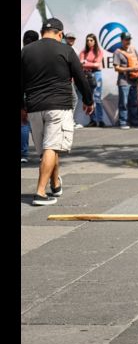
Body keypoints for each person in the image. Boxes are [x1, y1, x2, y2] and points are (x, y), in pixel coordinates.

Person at [21, 18, 94, 206]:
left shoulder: (26, 51)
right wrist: (88, 100)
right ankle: (40, 193)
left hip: (35, 108)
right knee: (52, 147)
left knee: (48, 148)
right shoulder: (66, 50)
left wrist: (22, 107)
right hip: (58, 105)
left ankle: (55, 184)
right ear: (60, 34)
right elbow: (80, 78)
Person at [113, 31, 138, 129]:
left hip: (134, 80)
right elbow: (116, 68)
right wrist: (130, 69)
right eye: (126, 39)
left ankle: (134, 122)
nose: (128, 41)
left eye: (129, 39)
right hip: (123, 81)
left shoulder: (133, 49)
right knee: (124, 102)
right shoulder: (117, 52)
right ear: (122, 40)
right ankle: (123, 122)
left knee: (134, 102)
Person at [21, 30, 39, 163]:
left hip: (25, 94)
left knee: (24, 124)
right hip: (39, 95)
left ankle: (24, 154)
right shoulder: (41, 56)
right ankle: (44, 154)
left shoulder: (22, 54)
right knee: (39, 125)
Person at [79, 33, 104, 127]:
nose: (89, 42)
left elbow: (97, 65)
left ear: (95, 41)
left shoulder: (98, 51)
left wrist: (86, 62)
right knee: (90, 97)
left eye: (91, 40)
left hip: (96, 74)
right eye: (87, 40)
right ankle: (93, 120)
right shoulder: (83, 51)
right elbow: (81, 63)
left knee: (97, 97)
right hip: (87, 75)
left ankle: (100, 120)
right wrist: (90, 63)